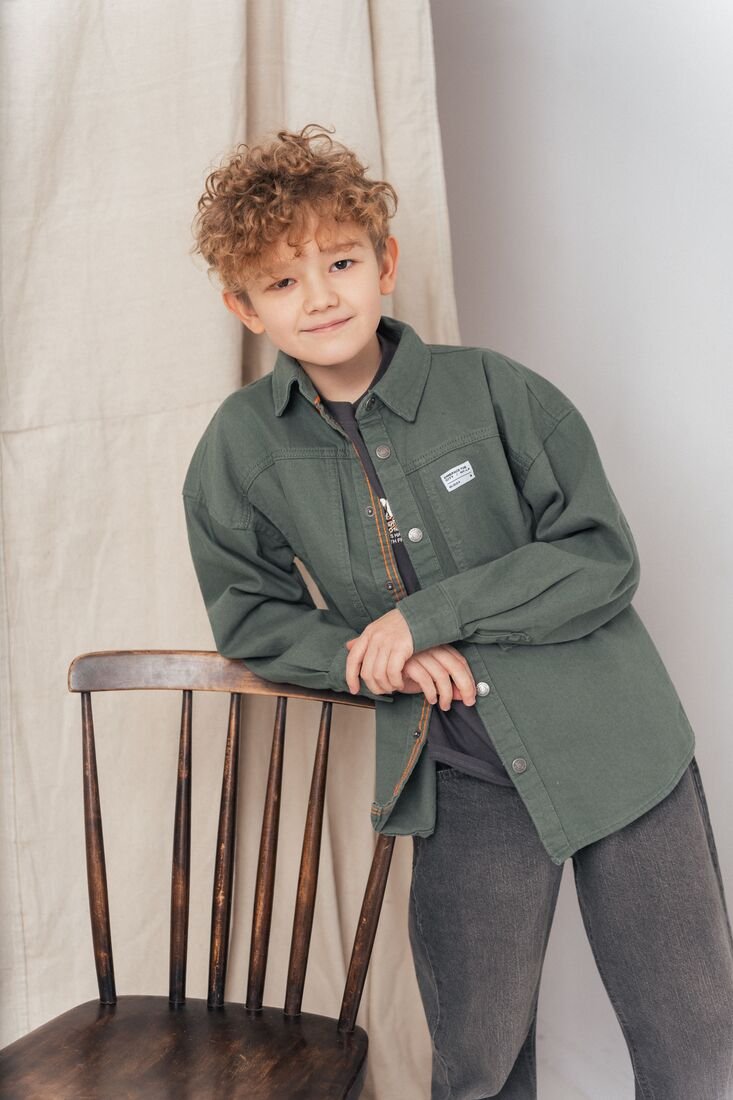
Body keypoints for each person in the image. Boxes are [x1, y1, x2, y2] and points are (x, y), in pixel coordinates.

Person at [182, 122, 733, 1099]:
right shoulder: (240, 449)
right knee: (478, 1062)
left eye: (340, 262)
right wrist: (373, 654)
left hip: (617, 745)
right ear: (242, 306)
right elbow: (252, 615)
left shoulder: (497, 391)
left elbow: (600, 557)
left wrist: (428, 616)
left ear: (385, 263)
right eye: (281, 281)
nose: (320, 296)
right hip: (459, 773)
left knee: (693, 1043)